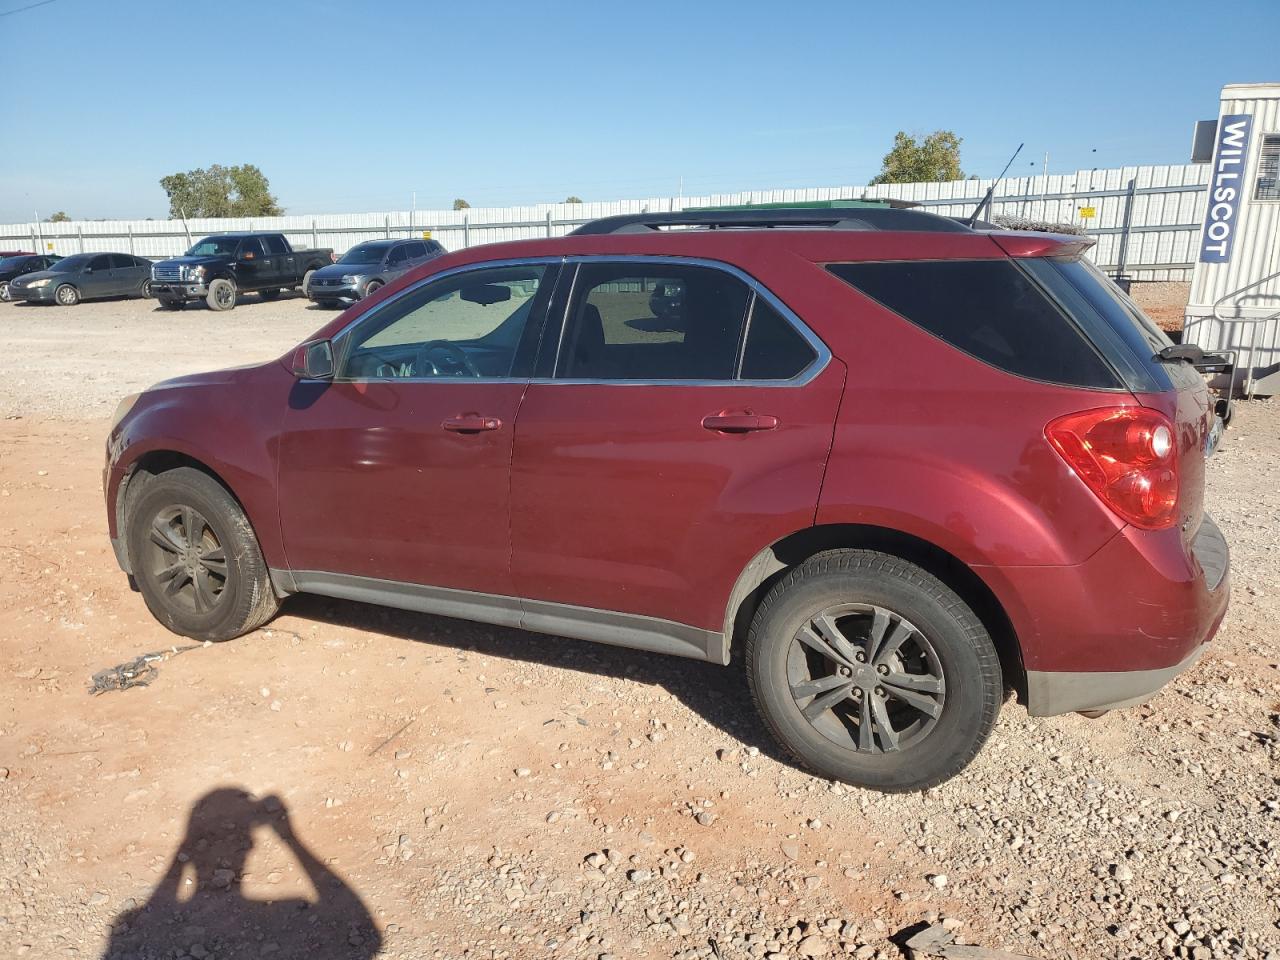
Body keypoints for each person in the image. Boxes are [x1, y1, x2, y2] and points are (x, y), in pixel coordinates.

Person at [102, 787, 381, 959]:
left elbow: (156, 909)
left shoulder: (137, 929)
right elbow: (368, 931)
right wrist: (289, 838)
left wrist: (182, 852)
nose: (248, 846)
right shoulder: (289, 909)